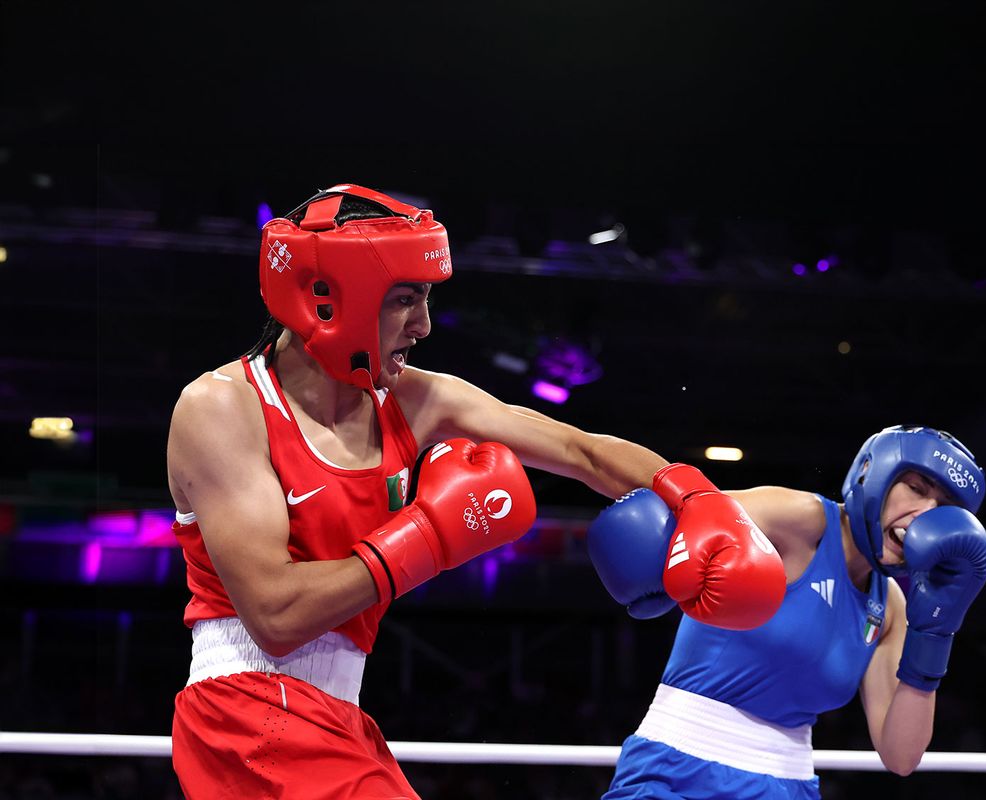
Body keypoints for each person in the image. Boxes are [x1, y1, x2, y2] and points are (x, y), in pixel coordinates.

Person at [165, 183, 786, 799]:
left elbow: (581, 451)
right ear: (330, 298)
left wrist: (694, 497)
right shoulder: (223, 408)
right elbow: (275, 616)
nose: (424, 325)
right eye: (405, 299)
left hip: (337, 717)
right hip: (247, 713)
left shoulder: (415, 401)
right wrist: (429, 536)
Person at [588, 424, 986, 799]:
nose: (927, 513)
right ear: (875, 474)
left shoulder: (890, 606)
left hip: (788, 783)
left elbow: (901, 756)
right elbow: (682, 502)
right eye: (917, 488)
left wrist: (936, 633)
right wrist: (574, 451)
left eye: (944, 506)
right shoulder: (799, 519)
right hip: (677, 765)